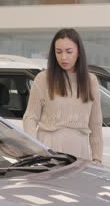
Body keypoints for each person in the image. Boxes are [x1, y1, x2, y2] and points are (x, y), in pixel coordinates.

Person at [23, 28, 103, 163]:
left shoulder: (91, 81)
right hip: (49, 150)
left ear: (78, 52)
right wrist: (35, 149)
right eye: (58, 52)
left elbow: (95, 124)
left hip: (80, 151)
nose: (63, 57)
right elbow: (30, 117)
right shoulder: (43, 78)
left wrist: (97, 158)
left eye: (69, 51)